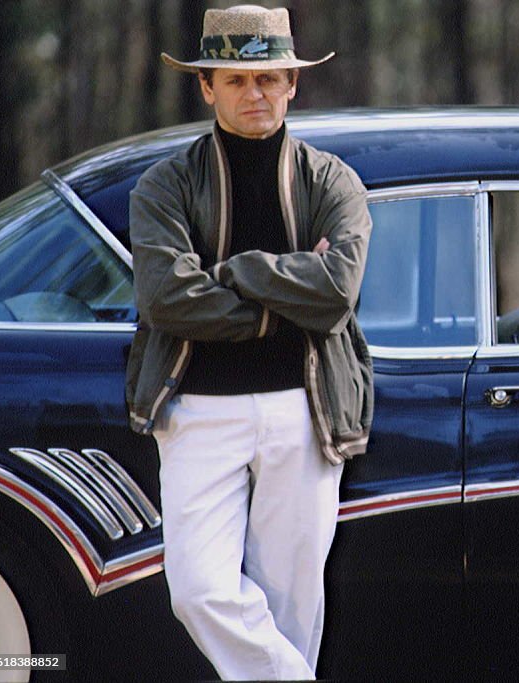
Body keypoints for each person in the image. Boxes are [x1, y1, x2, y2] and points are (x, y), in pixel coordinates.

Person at [124, 5, 373, 680]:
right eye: (235, 80)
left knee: (294, 605)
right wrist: (288, 295)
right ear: (207, 87)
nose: (254, 93)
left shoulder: (332, 182)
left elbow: (336, 293)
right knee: (200, 590)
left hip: (305, 405)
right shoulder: (164, 187)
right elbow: (167, 298)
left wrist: (233, 271)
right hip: (196, 409)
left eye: (268, 78)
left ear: (293, 82)